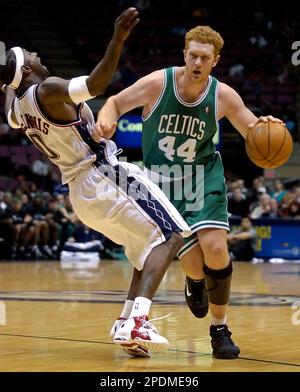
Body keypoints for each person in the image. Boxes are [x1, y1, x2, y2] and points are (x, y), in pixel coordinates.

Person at [0, 7, 192, 356]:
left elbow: (9, 109)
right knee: (172, 234)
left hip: (81, 194)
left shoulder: (18, 111)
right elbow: (96, 85)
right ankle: (138, 322)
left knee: (145, 249)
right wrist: (117, 39)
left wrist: (6, 83)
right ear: (26, 70)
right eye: (30, 55)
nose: (37, 54)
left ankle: (127, 324)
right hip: (104, 173)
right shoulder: (48, 90)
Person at [93, 25, 284, 359]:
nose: (197, 62)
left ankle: (219, 329)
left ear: (215, 61)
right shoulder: (158, 83)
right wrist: (106, 119)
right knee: (195, 265)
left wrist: (265, 126)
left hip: (203, 177)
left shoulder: (223, 95)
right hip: (161, 182)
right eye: (192, 55)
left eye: (204, 58)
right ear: (184, 54)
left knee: (216, 249)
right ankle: (194, 281)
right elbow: (114, 102)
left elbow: (253, 129)